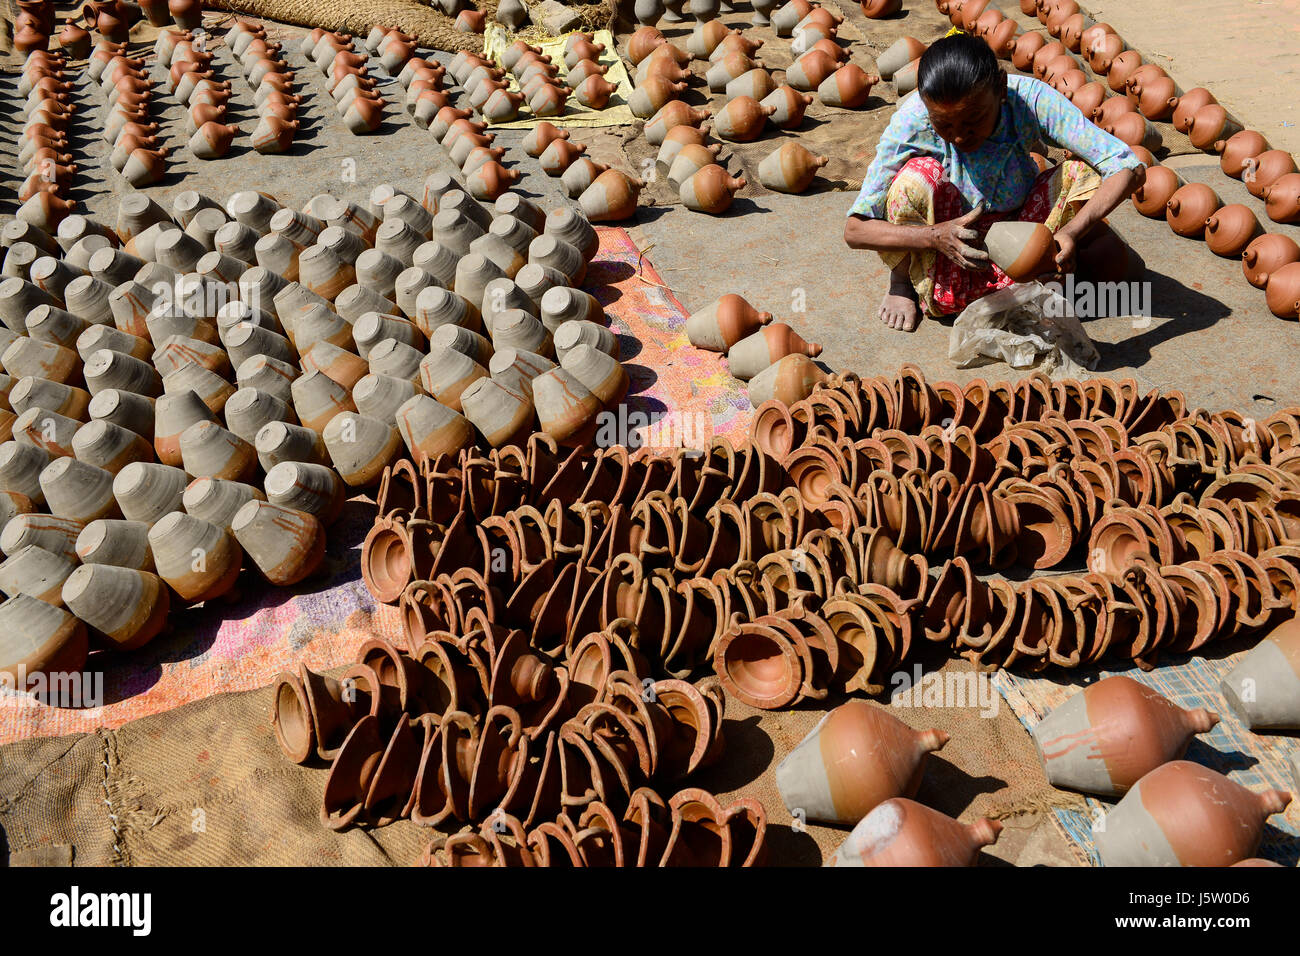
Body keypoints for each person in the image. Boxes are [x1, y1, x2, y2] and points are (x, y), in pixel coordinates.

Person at [843, 31, 1146, 332]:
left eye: (974, 119)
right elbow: (855, 229)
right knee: (914, 178)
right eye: (944, 125)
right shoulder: (912, 122)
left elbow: (1128, 167)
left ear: (1000, 87)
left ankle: (1037, 274)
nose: (959, 136)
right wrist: (935, 237)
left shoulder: (1028, 99)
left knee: (1084, 170)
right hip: (947, 242)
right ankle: (902, 281)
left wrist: (1071, 232)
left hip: (1020, 230)